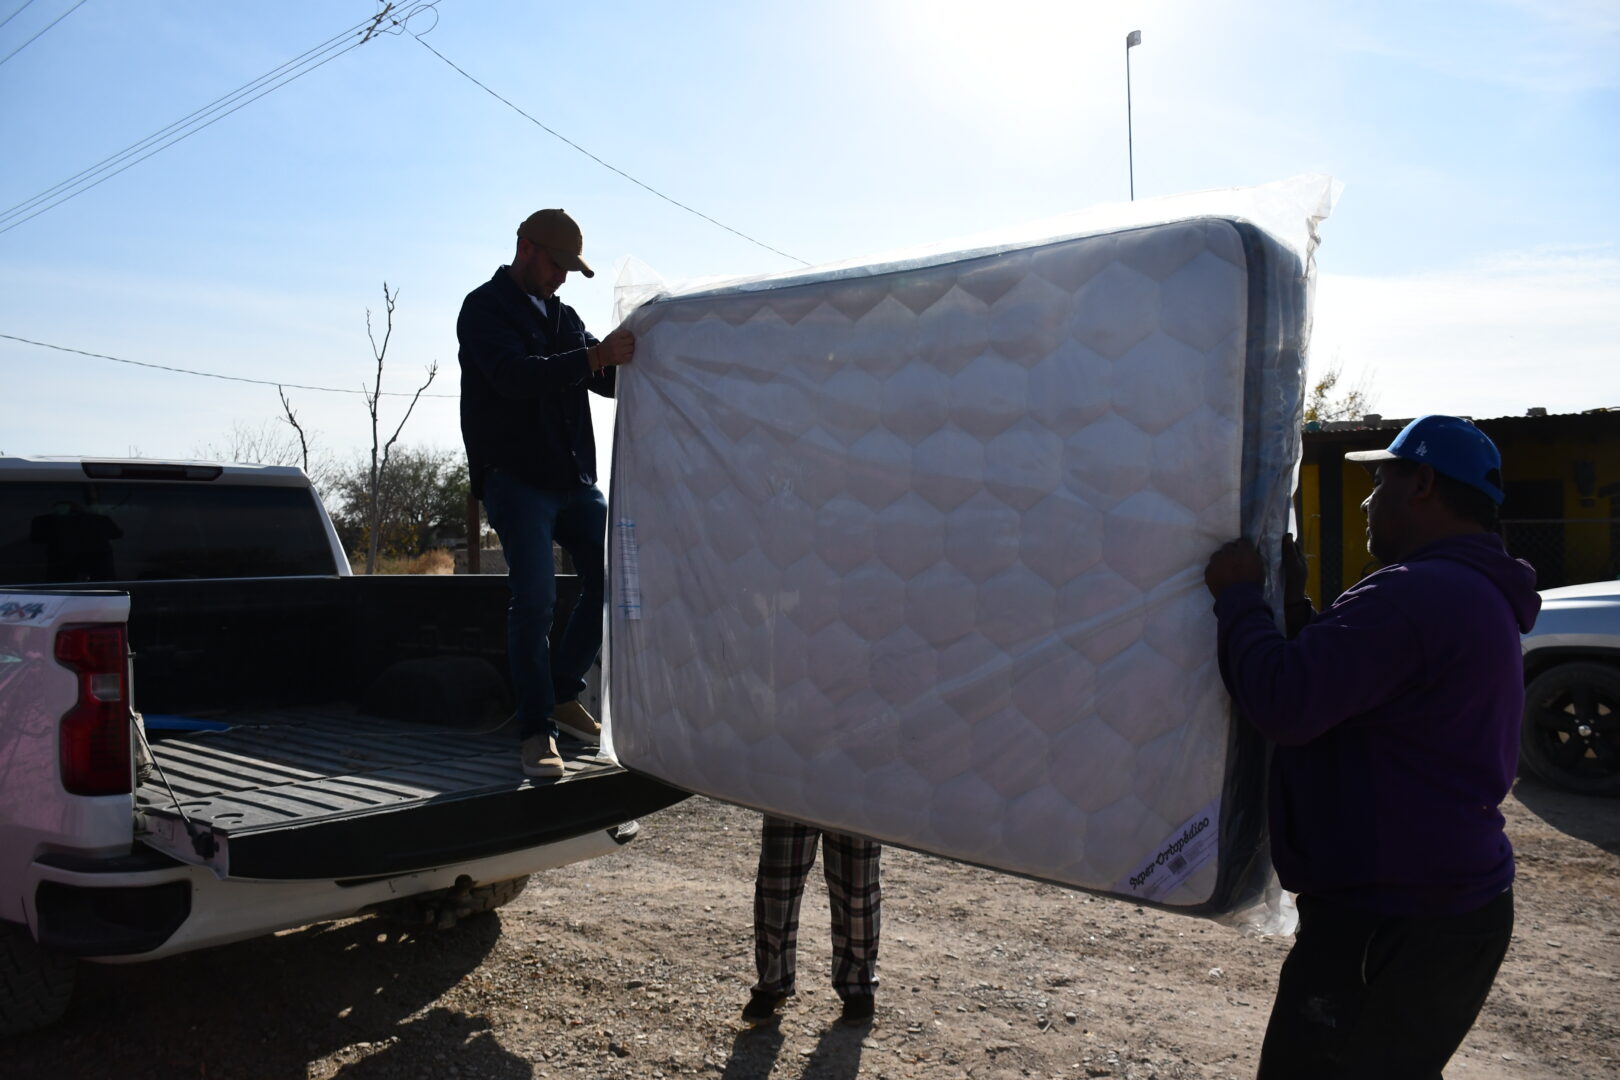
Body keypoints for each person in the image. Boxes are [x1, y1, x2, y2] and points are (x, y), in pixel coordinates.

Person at [1203, 414, 1540, 1078]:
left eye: (1379, 482)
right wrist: (1292, 610)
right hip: (1443, 905)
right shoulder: (1468, 588)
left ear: (1423, 484)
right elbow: (1356, 693)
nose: (1365, 501)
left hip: (1392, 915)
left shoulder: (1415, 592)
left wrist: (1239, 597)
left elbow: (1284, 703)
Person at [457, 208, 634, 778]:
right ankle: (536, 730)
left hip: (574, 481)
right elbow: (516, 376)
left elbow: (605, 379)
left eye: (568, 270)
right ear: (526, 248)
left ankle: (560, 691)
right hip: (516, 481)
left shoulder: (566, 318)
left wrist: (651, 354)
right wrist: (594, 357)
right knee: (534, 599)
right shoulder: (483, 309)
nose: (561, 278)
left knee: (616, 577)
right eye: (557, 265)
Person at [743, 815, 881, 1028]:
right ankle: (772, 983)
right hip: (791, 796)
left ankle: (858, 986)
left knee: (857, 887)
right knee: (777, 885)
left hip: (858, 797)